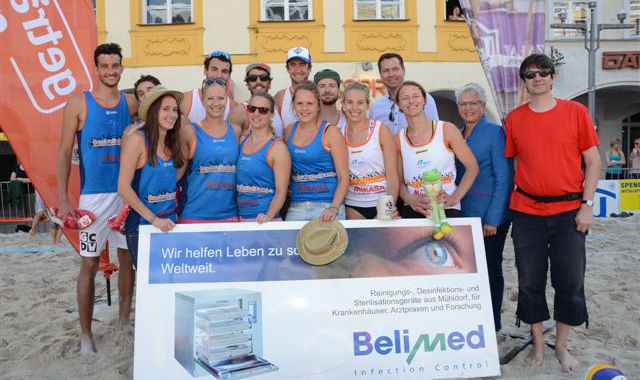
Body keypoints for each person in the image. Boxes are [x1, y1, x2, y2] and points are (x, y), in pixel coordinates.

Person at [505, 53, 600, 372]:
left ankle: (561, 346)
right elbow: (516, 163)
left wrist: (587, 206)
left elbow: (593, 162)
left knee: (570, 280)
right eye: (530, 75)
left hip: (569, 212)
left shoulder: (576, 112)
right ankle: (537, 345)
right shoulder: (515, 119)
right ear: (524, 81)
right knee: (529, 279)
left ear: (553, 75)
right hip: (527, 213)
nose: (537, 78)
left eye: (542, 72)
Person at [56, 42, 138, 354]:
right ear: (96, 68)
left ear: (121, 67)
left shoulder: (130, 104)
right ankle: (86, 335)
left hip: (125, 193)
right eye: (105, 66)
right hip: (92, 199)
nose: (110, 71)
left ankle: (123, 323)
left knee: (126, 260)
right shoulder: (78, 104)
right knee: (89, 263)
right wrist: (64, 200)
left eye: (115, 66)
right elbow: (64, 153)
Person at [455, 82, 513, 331]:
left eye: (473, 103)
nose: (468, 108)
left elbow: (504, 177)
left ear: (483, 105)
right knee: (469, 272)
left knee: (490, 269)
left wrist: (493, 218)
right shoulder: (456, 134)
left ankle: (493, 324)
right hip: (463, 214)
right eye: (463, 104)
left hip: (489, 216)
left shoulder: (495, 133)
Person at [118, 86, 187, 267]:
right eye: (166, 109)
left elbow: (174, 176)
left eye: (174, 110)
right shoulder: (137, 140)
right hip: (143, 227)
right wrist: (154, 220)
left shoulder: (172, 142)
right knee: (150, 291)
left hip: (170, 224)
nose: (172, 114)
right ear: (153, 111)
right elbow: (123, 188)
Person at [396, 81, 478, 219]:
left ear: (424, 100)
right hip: (415, 210)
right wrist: (409, 199)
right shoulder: (397, 139)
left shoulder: (447, 129)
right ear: (398, 104)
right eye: (405, 98)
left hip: (446, 209)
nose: (411, 101)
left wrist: (454, 198)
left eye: (415, 96)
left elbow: (473, 168)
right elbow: (396, 180)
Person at [178, 78, 242, 222]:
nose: (216, 103)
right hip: (194, 214)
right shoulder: (190, 131)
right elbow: (178, 172)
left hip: (229, 215)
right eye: (210, 98)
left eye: (220, 98)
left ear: (227, 100)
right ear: (202, 101)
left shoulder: (236, 131)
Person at [284, 81, 349, 221]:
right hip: (297, 207)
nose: (304, 108)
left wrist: (334, 208)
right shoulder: (289, 131)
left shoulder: (330, 132)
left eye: (310, 103)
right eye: (300, 103)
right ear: (293, 106)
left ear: (318, 106)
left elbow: (344, 177)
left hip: (327, 207)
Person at [341, 82, 399, 219]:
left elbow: (392, 176)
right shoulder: (339, 133)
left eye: (360, 102)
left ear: (368, 105)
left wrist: (387, 209)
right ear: (343, 105)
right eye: (349, 102)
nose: (354, 108)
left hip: (382, 201)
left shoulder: (381, 130)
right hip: (353, 205)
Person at [237, 92, 291, 222]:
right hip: (241, 219)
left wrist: (269, 216)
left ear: (271, 114)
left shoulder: (278, 148)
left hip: (265, 221)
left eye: (263, 110)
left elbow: (281, 192)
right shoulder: (242, 140)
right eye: (252, 109)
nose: (256, 113)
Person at [370, 53, 439, 134]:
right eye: (386, 70)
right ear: (380, 75)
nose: (391, 74)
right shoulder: (375, 107)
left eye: (395, 69)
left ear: (403, 71)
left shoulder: (423, 99)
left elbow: (435, 131)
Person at [180, 50, 247, 130]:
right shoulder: (186, 100)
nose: (219, 75)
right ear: (205, 70)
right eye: (214, 69)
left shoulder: (234, 107)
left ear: (229, 75)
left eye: (224, 71)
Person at [275, 46, 312, 129]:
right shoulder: (280, 97)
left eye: (302, 64)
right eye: (293, 65)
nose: (298, 69)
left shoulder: (318, 94)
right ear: (287, 69)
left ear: (309, 68)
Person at [242, 63, 284, 136]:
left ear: (270, 83)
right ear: (247, 84)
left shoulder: (277, 107)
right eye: (253, 78)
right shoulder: (240, 111)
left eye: (263, 78)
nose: (258, 82)